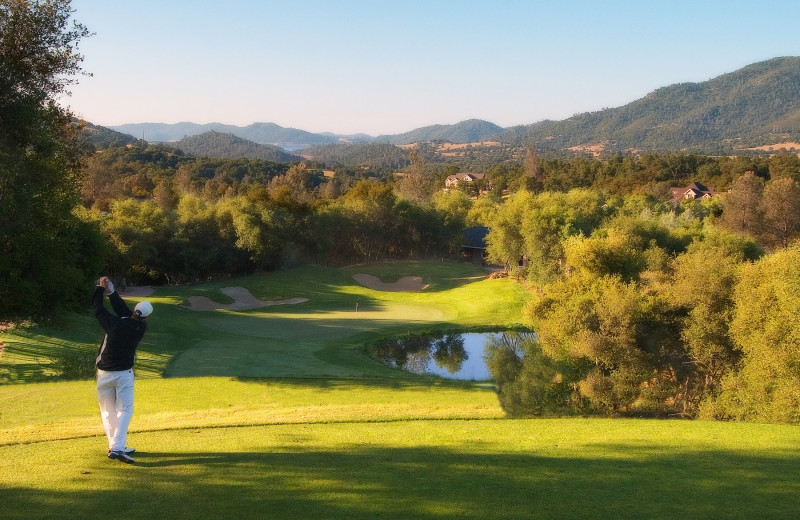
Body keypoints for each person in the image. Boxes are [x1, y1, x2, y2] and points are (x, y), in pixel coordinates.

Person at [91, 276, 152, 464]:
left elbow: (98, 310)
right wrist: (111, 291)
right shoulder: (141, 326)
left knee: (108, 411)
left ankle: (115, 445)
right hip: (124, 375)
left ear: (135, 311)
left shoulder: (116, 324)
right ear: (145, 316)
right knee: (124, 410)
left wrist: (101, 290)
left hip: (104, 374)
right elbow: (123, 311)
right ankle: (117, 447)